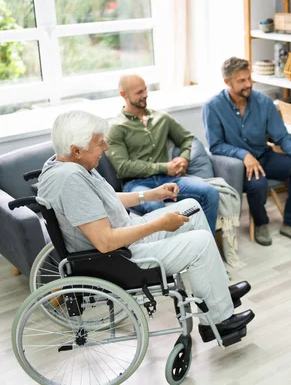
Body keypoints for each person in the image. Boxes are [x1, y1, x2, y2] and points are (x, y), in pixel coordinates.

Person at [37, 110, 254, 343]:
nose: (106, 148)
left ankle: (217, 294)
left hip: (125, 237)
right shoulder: (71, 181)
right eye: (99, 143)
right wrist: (161, 224)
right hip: (119, 257)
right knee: (200, 242)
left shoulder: (64, 166)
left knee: (190, 205)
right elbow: (106, 242)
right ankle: (217, 321)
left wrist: (151, 195)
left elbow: (106, 202)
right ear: (76, 150)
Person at [203, 57, 291, 246]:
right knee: (257, 184)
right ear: (227, 82)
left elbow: (281, 136)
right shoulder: (213, 107)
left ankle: (290, 224)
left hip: (264, 156)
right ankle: (261, 223)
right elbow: (216, 145)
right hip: (237, 166)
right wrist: (244, 155)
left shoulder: (263, 102)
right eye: (241, 81)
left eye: (249, 78)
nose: (248, 84)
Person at [105, 75, 220, 234]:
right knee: (154, 205)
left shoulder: (162, 118)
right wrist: (165, 167)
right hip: (137, 184)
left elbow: (187, 138)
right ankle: (170, 254)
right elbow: (123, 168)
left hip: (169, 180)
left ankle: (206, 245)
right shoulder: (116, 127)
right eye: (139, 92)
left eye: (145, 89)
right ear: (123, 94)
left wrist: (184, 158)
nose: (145, 94)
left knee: (211, 192)